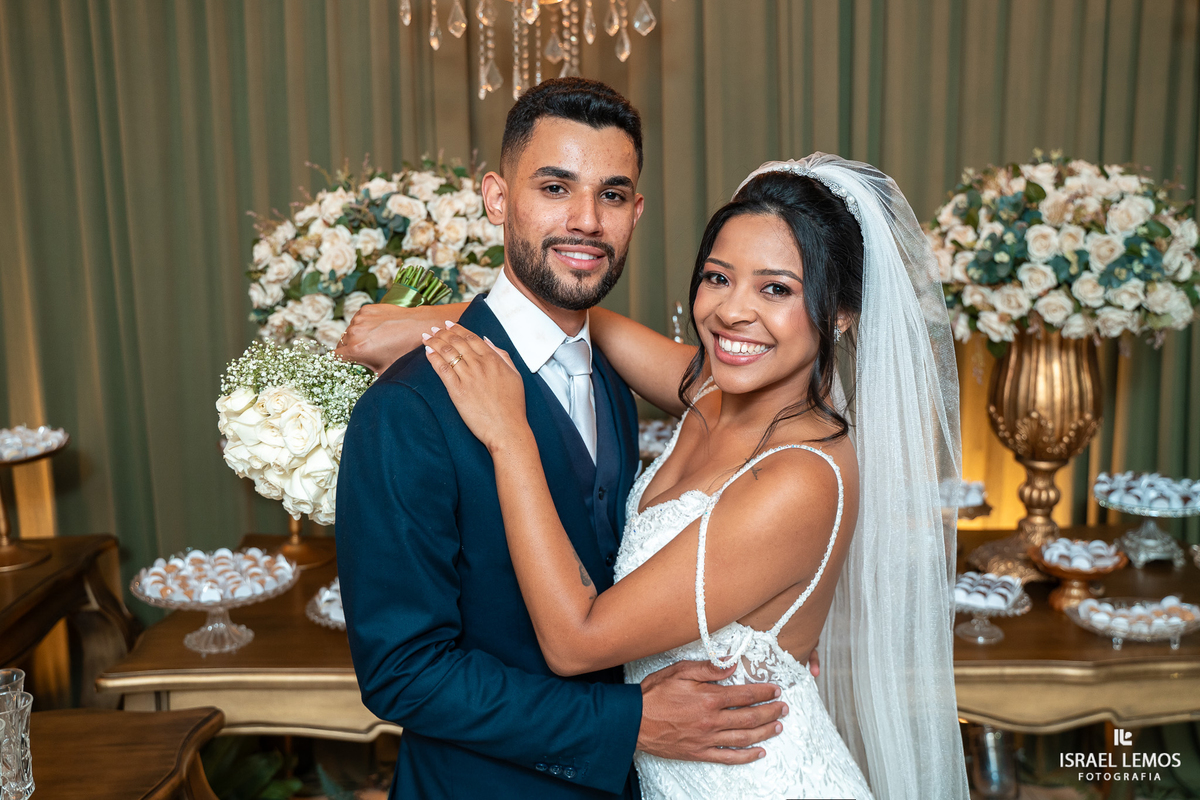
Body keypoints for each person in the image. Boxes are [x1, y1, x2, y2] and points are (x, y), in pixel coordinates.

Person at [392, 154, 969, 798]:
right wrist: (442, 323)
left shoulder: (800, 477)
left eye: (776, 289)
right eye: (718, 278)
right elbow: (587, 324)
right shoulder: (710, 396)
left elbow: (577, 642)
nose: (733, 313)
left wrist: (510, 435)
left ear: (840, 312)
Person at [335, 78, 792, 800]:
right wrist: (629, 723)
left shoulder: (610, 369)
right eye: (555, 187)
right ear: (496, 198)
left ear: (636, 212)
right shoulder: (408, 408)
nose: (586, 220)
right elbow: (404, 673)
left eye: (612, 195)